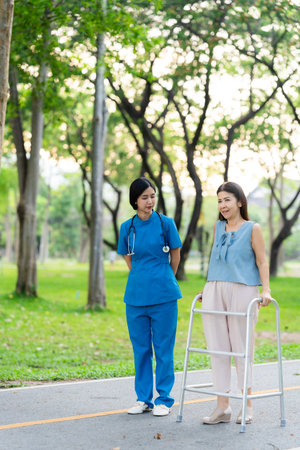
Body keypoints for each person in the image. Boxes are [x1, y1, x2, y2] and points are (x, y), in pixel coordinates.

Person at [198, 181, 272, 425]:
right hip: (215, 290)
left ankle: (247, 405)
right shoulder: (218, 227)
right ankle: (223, 407)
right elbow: (219, 261)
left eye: (227, 200)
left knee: (242, 348)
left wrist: (266, 290)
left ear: (240, 201)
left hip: (243, 291)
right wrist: (210, 286)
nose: (223, 205)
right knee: (218, 349)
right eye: (219, 201)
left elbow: (262, 261)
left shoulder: (253, 228)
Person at [117, 177, 182, 417]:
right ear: (135, 200)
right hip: (135, 297)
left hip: (164, 296)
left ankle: (164, 399)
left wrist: (166, 278)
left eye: (152, 196)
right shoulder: (127, 227)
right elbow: (129, 259)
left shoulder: (166, 224)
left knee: (163, 347)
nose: (150, 201)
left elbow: (175, 254)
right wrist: (143, 278)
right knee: (141, 348)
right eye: (144, 197)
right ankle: (143, 398)